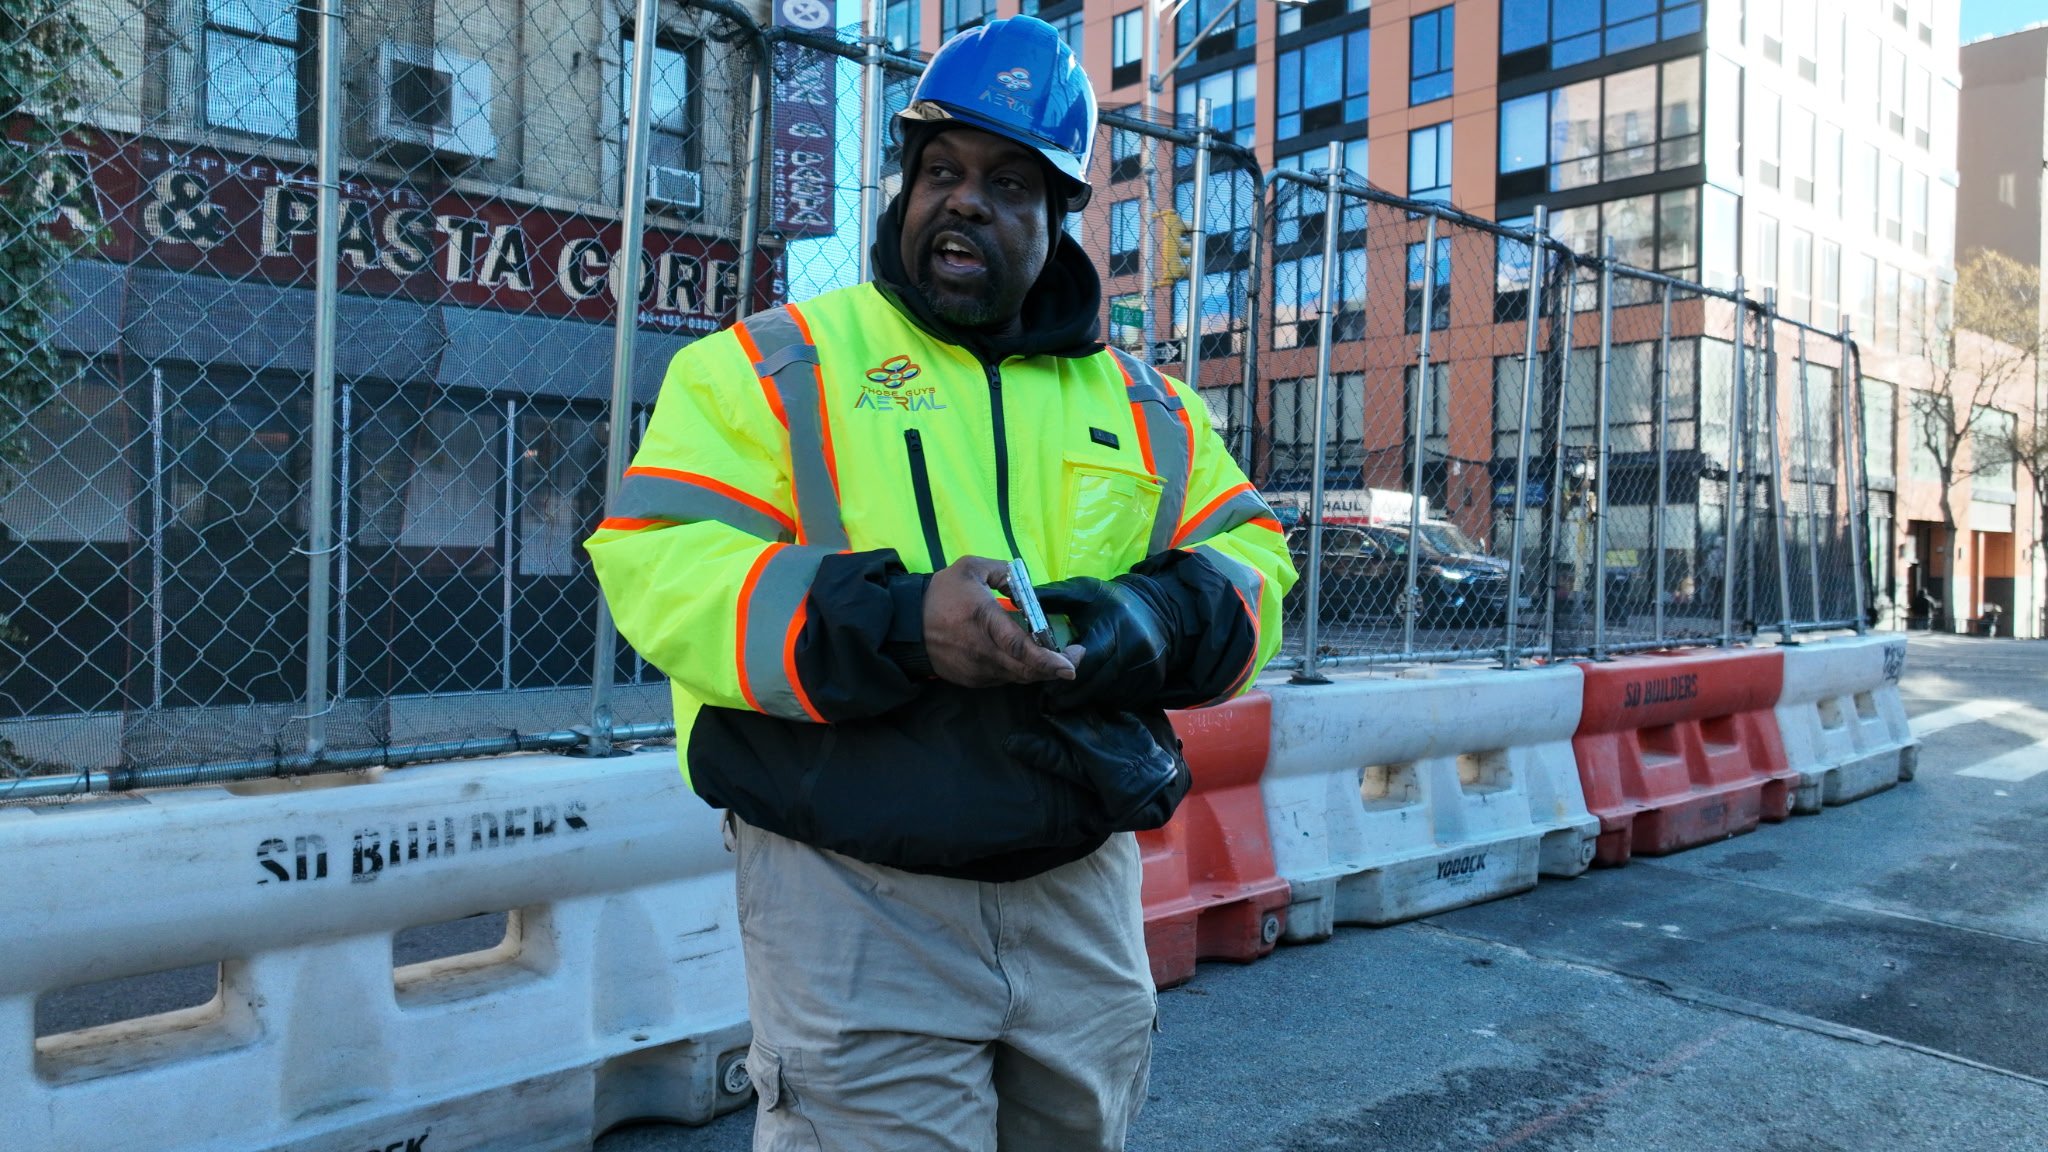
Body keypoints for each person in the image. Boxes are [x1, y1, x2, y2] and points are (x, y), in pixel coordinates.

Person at [585, 17, 1295, 1151]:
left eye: (1007, 181)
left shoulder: (1147, 407)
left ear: (1060, 213)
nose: (964, 200)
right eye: (941, 170)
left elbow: (1254, 562)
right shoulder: (769, 368)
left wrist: (1136, 618)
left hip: (1077, 886)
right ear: (906, 183)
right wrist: (905, 621)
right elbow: (660, 563)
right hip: (852, 889)